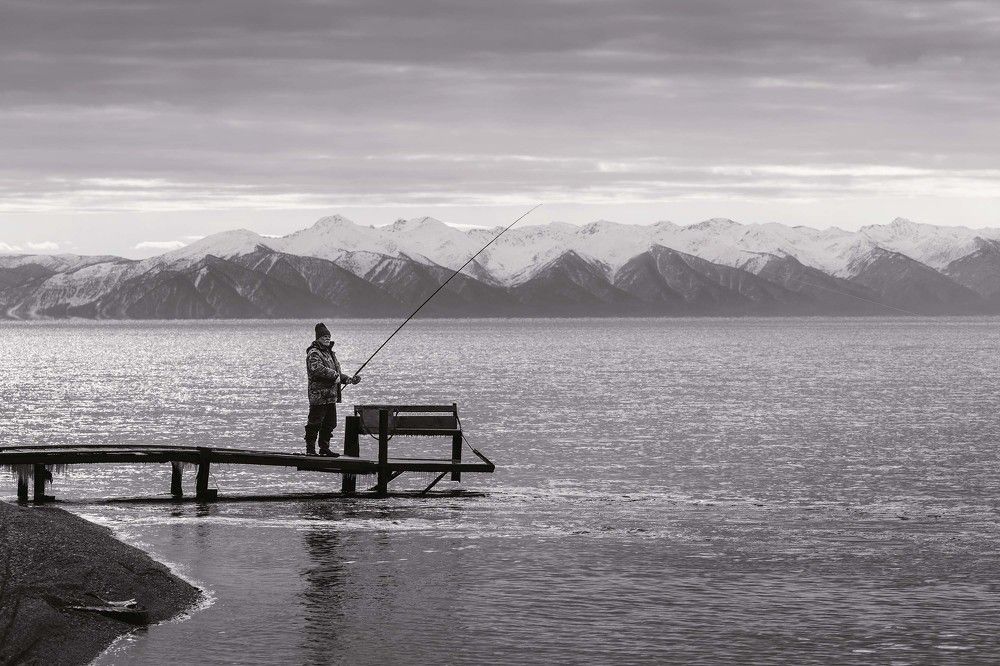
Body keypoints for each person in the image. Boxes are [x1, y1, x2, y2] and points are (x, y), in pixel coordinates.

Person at [305, 322, 360, 456]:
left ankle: (324, 449)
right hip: (318, 396)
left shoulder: (330, 353)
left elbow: (336, 372)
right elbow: (316, 369)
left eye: (328, 336)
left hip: (331, 396)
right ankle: (310, 450)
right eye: (324, 336)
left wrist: (348, 379)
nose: (327, 338)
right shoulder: (314, 353)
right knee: (315, 423)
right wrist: (334, 375)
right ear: (318, 338)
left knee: (330, 423)